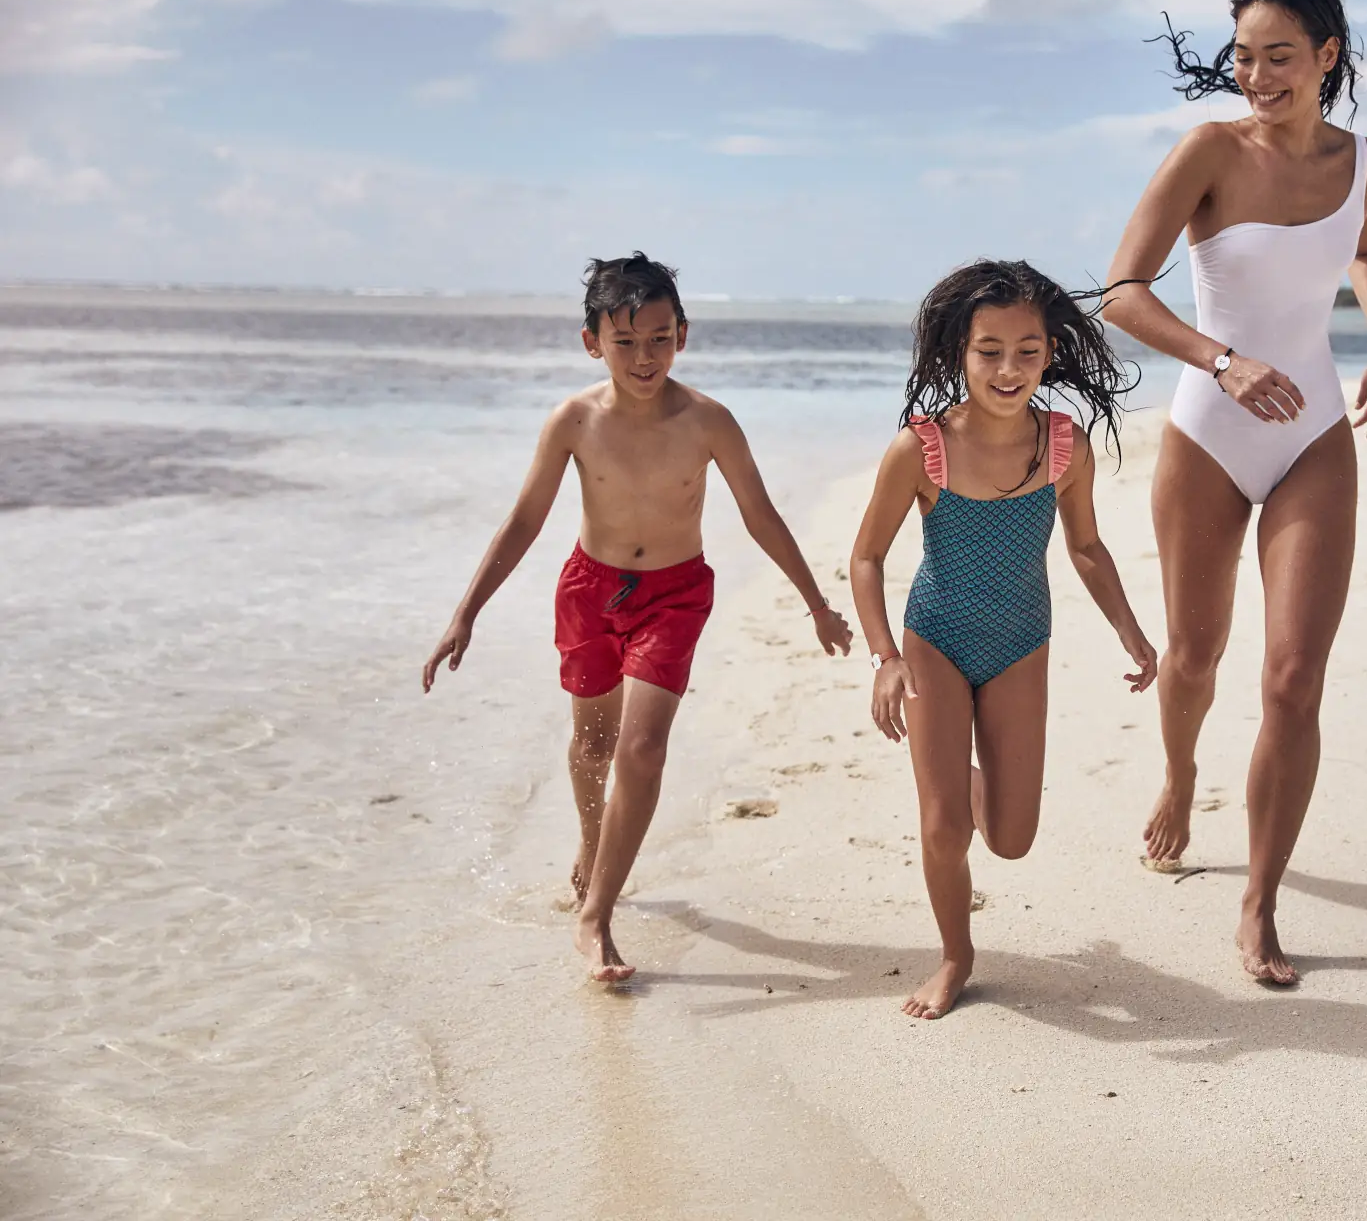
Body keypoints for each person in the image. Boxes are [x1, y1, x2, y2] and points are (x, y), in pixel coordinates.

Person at [421, 252, 852, 982]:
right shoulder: (573, 421)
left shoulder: (709, 421)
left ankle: (596, 917)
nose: (644, 357)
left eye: (658, 338)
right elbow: (524, 520)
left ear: (682, 334)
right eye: (625, 342)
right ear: (593, 342)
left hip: (676, 596)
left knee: (641, 748)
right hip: (589, 590)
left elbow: (760, 515)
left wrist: (817, 604)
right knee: (592, 746)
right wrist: (466, 613)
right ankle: (593, 842)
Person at [1102, 0, 1367, 985]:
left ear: (1327, 56)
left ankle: (1260, 903)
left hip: (1313, 428)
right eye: (1243, 57)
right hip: (1210, 430)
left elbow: (1366, 249)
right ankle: (1180, 775)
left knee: (1293, 678)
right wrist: (1220, 361)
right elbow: (1121, 291)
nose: (1258, 75)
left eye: (1280, 56)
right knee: (1193, 658)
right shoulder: (1209, 151)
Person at [849, 260, 1158, 1019]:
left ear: (1050, 353)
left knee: (1012, 840)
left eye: (1027, 351)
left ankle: (959, 777)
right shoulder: (922, 448)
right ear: (960, 351)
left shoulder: (1064, 446)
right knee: (944, 827)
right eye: (989, 351)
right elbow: (866, 557)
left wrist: (1130, 630)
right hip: (934, 639)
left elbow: (1086, 547)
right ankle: (956, 955)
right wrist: (885, 657)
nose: (1008, 368)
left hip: (1021, 642)